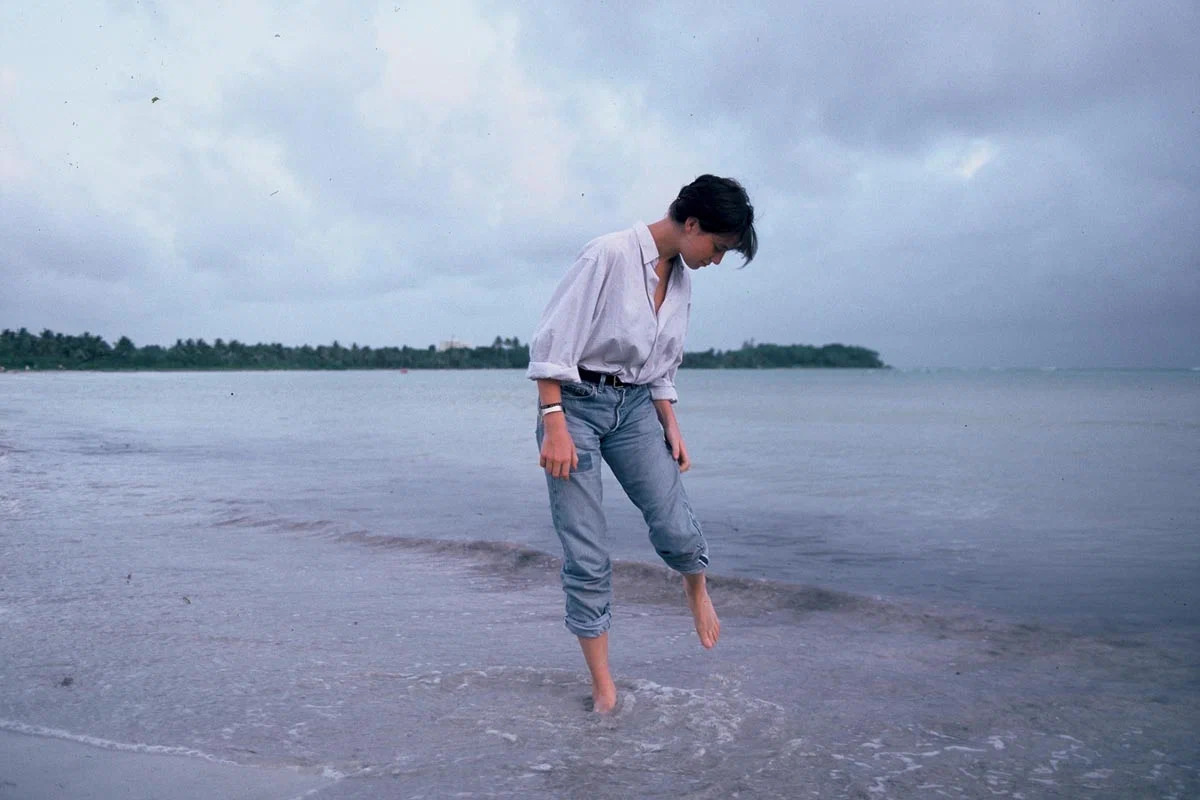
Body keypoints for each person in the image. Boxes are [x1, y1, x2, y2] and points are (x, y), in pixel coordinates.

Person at [526, 174, 757, 713]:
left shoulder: (681, 279)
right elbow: (550, 343)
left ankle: (695, 587)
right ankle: (604, 688)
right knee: (586, 551)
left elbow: (661, 366)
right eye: (719, 248)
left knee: (675, 523)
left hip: (634, 410)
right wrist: (554, 421)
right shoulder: (605, 255)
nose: (717, 260)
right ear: (692, 223)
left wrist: (670, 424)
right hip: (574, 404)